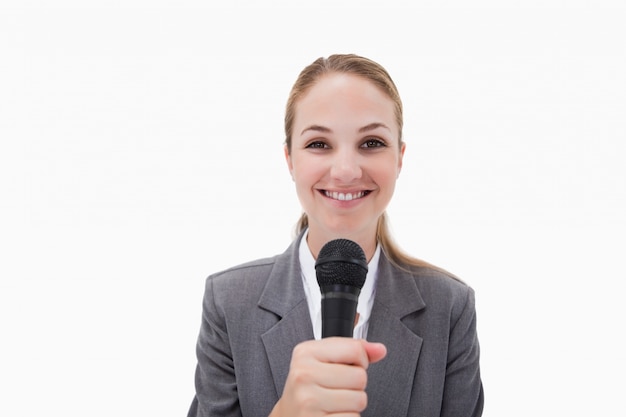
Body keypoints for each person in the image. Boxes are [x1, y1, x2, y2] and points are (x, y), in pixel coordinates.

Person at [187, 54, 484, 417]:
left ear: (400, 158)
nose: (345, 171)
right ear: (290, 160)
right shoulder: (230, 303)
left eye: (372, 142)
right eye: (319, 144)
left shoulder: (449, 308)